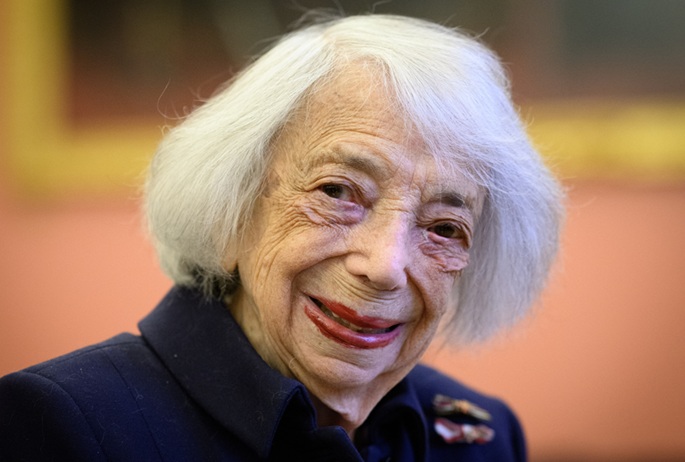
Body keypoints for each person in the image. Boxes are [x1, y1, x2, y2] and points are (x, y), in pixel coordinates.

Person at [0, 14, 563, 461]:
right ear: (232, 207)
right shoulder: (66, 424)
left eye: (443, 228)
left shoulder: (480, 441)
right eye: (338, 192)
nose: (386, 265)